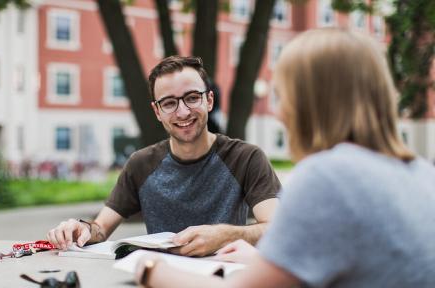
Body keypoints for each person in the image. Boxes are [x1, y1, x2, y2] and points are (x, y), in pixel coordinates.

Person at [132, 28, 435, 287]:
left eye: (285, 96)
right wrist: (270, 260)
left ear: (312, 103)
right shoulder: (422, 174)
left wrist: (150, 269)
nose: (280, 113)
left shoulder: (328, 176)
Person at [47, 56, 281, 257]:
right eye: (169, 103)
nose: (182, 112)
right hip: (159, 278)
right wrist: (81, 229)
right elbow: (100, 228)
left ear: (208, 100)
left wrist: (225, 235)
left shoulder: (247, 158)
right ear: (157, 111)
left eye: (191, 98)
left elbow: (278, 228)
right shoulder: (141, 164)